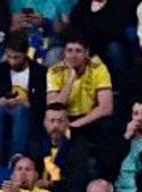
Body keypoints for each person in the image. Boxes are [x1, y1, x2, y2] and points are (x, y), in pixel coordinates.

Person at [46, 34, 115, 165]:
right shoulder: (55, 71)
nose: (73, 55)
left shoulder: (98, 68)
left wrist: (76, 124)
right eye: (69, 51)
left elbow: (106, 107)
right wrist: (72, 77)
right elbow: (54, 106)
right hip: (63, 118)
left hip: (89, 118)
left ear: (87, 53)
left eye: (78, 51)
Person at [0, 31, 47, 164]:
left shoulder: (40, 72)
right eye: (9, 56)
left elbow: (43, 102)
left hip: (28, 111)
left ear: (25, 54)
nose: (12, 61)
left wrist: (27, 102)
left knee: (20, 111)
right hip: (3, 109)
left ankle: (16, 157)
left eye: (16, 57)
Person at [36, 102, 91, 192]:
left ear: (67, 123)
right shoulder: (36, 142)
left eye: (60, 121)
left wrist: (50, 184)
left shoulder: (78, 144)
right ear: (45, 123)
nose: (55, 125)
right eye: (51, 121)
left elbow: (76, 178)